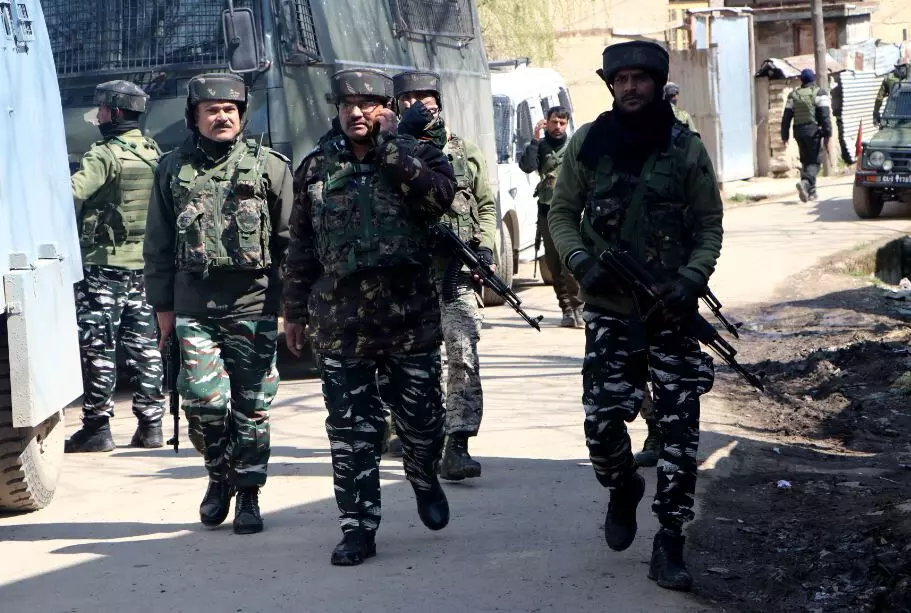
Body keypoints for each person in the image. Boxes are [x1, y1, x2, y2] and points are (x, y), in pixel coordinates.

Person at [547, 40, 723, 592]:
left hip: (670, 312)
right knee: (601, 425)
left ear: (657, 83)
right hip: (610, 313)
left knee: (679, 435)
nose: (629, 87)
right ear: (611, 86)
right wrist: (580, 262)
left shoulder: (685, 149)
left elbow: (709, 226)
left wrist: (689, 280)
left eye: (639, 79)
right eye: (620, 79)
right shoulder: (588, 143)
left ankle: (670, 541)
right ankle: (622, 486)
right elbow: (561, 213)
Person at [283, 68, 457, 566]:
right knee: (351, 434)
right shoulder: (316, 167)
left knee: (424, 423)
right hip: (341, 324)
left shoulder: (420, 154)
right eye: (346, 105)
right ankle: (358, 527)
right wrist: (293, 310)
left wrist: (393, 146)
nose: (355, 112)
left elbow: (439, 199)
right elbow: (301, 244)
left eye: (367, 104)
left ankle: (422, 473)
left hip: (409, 321)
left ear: (389, 109)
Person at [144, 73, 293, 535]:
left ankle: (248, 492)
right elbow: (158, 244)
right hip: (194, 307)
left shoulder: (271, 167)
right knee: (203, 401)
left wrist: (292, 307)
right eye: (212, 110)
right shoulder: (171, 168)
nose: (222, 116)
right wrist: (163, 309)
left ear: (242, 115)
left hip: (254, 304)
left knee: (253, 407)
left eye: (230, 109)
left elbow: (290, 242)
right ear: (195, 117)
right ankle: (219, 472)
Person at [393, 70, 497, 481]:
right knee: (408, 360)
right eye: (409, 99)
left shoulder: (464, 151)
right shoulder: (390, 152)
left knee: (462, 351)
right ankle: (410, 430)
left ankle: (458, 443)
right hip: (408, 278)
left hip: (456, 274)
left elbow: (486, 205)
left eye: (426, 99)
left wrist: (485, 247)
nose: (419, 106)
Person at [66, 80, 166, 453]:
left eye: (103, 110)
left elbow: (72, 192)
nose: (99, 116)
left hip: (103, 266)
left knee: (99, 347)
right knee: (145, 345)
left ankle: (97, 428)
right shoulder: (153, 151)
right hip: (144, 267)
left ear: (117, 113)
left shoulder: (103, 155)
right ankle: (151, 426)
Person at [519, 106, 583, 328]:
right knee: (554, 263)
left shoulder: (574, 145)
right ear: (546, 122)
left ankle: (579, 306)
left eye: (562, 123)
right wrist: (535, 140)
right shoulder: (540, 146)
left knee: (570, 261)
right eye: (554, 122)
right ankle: (566, 308)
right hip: (547, 211)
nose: (558, 127)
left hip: (572, 210)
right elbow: (527, 166)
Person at [780, 68, 832, 203]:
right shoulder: (819, 93)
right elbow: (825, 116)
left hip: (798, 132)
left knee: (805, 161)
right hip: (813, 132)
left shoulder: (793, 95)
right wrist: (828, 134)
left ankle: (811, 193)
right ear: (813, 79)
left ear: (801, 81)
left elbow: (786, 117)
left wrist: (784, 135)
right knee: (815, 162)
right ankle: (805, 183)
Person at [873, 60, 909, 126]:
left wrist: (875, 113)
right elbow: (879, 98)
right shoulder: (890, 78)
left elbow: (879, 98)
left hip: (892, 113)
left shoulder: (889, 78)